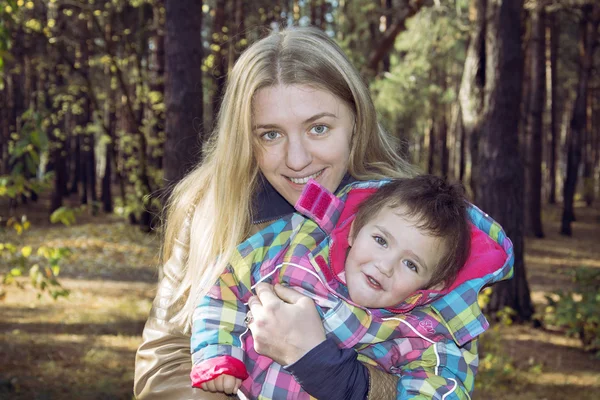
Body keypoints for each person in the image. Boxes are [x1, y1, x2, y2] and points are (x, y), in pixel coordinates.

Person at [134, 26, 416, 400]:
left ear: (356, 122)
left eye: (318, 128)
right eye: (271, 134)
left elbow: (442, 378)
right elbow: (165, 361)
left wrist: (325, 366)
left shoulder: (413, 218)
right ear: (245, 136)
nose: (297, 161)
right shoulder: (210, 210)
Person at [189, 176, 511, 400]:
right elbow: (225, 284)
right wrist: (217, 354)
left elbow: (444, 387)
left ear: (431, 286)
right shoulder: (295, 251)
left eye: (411, 264)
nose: (385, 265)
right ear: (355, 230)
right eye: (381, 240)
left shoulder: (422, 331)